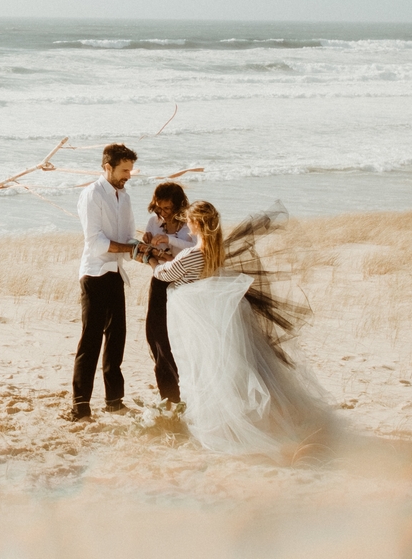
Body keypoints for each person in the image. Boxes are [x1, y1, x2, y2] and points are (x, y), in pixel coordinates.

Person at [154, 200, 335, 456]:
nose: (187, 223)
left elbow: (163, 275)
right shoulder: (215, 251)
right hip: (214, 318)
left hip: (197, 321)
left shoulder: (192, 254)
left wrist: (151, 258)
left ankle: (220, 426)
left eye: (189, 220)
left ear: (196, 224)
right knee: (221, 369)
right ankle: (231, 420)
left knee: (202, 368)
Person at [65, 143, 138, 421]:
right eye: (124, 170)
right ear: (107, 167)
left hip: (116, 274)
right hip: (94, 274)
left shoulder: (125, 197)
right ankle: (80, 407)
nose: (128, 176)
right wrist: (130, 248)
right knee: (91, 340)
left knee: (117, 339)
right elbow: (96, 244)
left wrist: (144, 248)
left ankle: (114, 401)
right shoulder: (92, 195)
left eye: (130, 170)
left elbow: (129, 238)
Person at [142, 182, 193, 404]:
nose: (162, 213)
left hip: (185, 283)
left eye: (167, 209)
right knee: (156, 336)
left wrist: (169, 240)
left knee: (183, 337)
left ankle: (189, 392)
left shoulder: (190, 224)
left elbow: (196, 249)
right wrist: (149, 247)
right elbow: (156, 255)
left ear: (179, 206)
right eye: (159, 207)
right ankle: (169, 395)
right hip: (161, 280)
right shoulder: (154, 222)